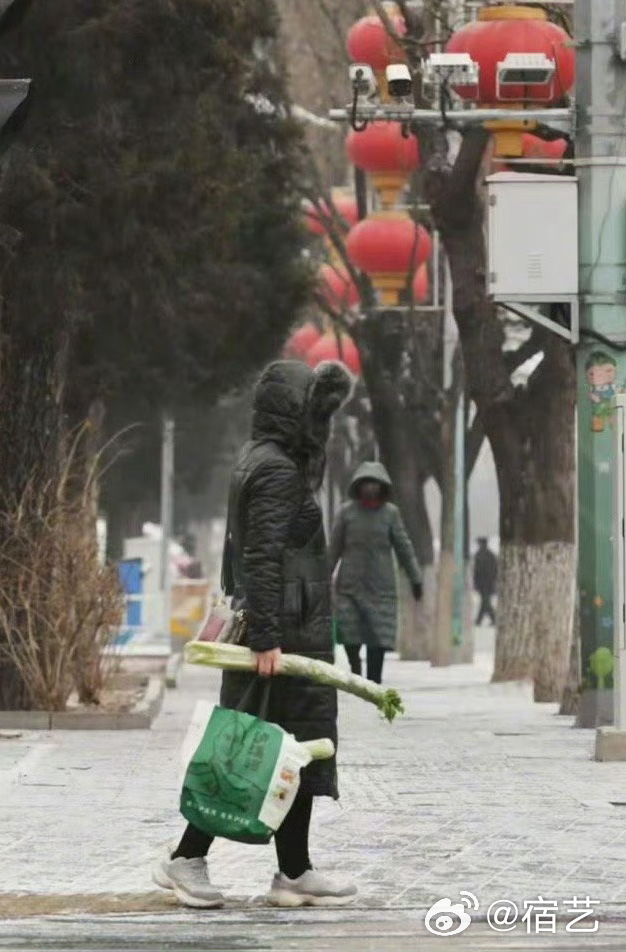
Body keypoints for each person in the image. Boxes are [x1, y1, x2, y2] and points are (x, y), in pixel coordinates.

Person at [154, 359, 356, 910]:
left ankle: (294, 870)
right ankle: (185, 858)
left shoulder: (266, 460)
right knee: (246, 754)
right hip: (282, 632)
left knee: (292, 752)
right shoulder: (276, 470)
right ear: (292, 410)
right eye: (310, 409)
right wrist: (267, 637)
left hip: (293, 626)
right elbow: (261, 557)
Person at [329, 461, 422, 685]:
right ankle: (355, 669)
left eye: (375, 484)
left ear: (383, 487)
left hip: (381, 588)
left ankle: (374, 680)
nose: (370, 488)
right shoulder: (346, 513)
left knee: (377, 637)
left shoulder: (391, 515)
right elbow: (333, 549)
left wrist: (416, 578)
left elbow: (404, 547)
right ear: (358, 486)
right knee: (350, 632)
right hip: (350, 585)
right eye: (366, 484)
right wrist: (323, 578)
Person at [473, 537, 498, 627]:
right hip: (489, 582)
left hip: (482, 583)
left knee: (485, 602)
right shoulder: (491, 555)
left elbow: (476, 571)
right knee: (485, 601)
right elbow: (496, 570)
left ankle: (493, 619)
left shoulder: (479, 555)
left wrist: (475, 583)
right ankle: (479, 620)